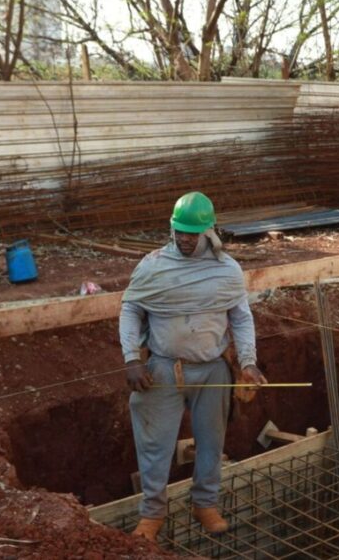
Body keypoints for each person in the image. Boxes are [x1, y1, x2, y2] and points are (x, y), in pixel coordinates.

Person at [120, 191, 267, 542]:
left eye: (192, 233)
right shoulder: (153, 266)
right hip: (164, 368)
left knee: (211, 441)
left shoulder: (227, 271)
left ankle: (205, 503)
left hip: (212, 369)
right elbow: (131, 309)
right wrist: (131, 358)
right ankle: (152, 513)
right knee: (155, 444)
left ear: (209, 230)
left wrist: (247, 361)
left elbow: (241, 318)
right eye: (179, 232)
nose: (184, 239)